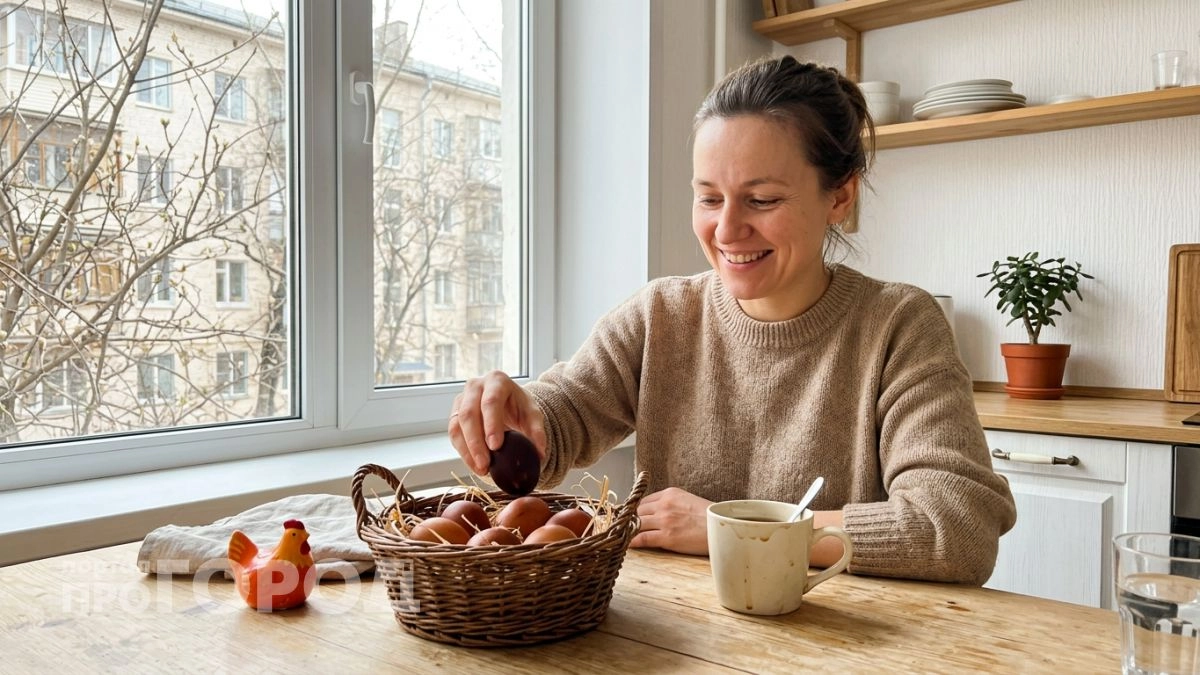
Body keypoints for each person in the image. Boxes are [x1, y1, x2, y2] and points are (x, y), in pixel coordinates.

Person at [448, 55, 1016, 585]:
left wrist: (732, 527)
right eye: (709, 198)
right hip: (676, 636)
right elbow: (565, 416)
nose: (726, 231)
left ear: (840, 197)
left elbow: (957, 529)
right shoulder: (661, 316)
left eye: (762, 200)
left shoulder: (897, 325)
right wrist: (526, 421)